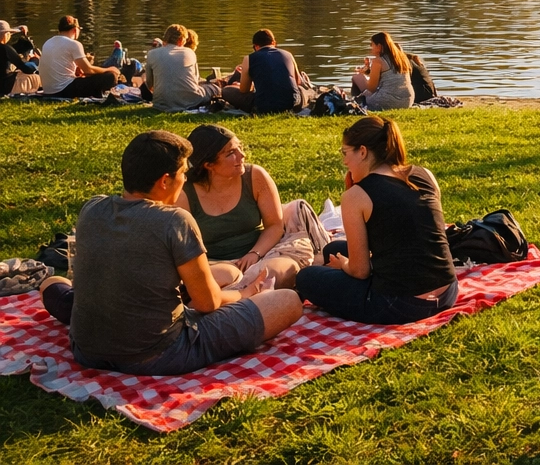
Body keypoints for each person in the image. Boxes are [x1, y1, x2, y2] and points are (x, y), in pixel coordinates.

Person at [37, 130, 302, 373]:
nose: (186, 179)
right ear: (165, 181)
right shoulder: (174, 220)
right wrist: (246, 294)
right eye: (183, 173)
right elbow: (207, 304)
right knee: (287, 301)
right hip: (160, 353)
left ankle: (59, 292)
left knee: (54, 282)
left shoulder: (91, 209)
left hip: (87, 351)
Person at [294, 117, 458, 324]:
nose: (344, 161)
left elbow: (360, 271)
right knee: (332, 248)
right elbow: (412, 234)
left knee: (306, 277)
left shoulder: (357, 196)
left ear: (362, 151)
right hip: (447, 292)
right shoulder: (424, 174)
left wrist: (344, 264)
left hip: (400, 304)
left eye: (345, 153)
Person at [176, 125, 303, 289]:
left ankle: (239, 295)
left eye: (240, 148)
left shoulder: (255, 176)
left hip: (261, 255)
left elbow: (275, 225)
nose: (242, 156)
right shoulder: (185, 194)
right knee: (227, 276)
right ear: (208, 165)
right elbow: (184, 250)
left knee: (281, 269)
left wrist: (254, 254)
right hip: (215, 265)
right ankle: (248, 294)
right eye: (231, 153)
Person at [222, 30, 314, 113]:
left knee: (226, 91)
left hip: (264, 106)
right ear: (274, 43)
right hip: (293, 104)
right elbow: (298, 82)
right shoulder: (288, 54)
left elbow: (244, 90)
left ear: (256, 46)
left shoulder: (248, 59)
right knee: (303, 90)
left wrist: (247, 78)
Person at [142, 25, 223, 111]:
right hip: (189, 101)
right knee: (215, 89)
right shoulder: (189, 52)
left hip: (160, 104)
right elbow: (195, 81)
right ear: (181, 40)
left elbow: (149, 84)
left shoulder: (151, 54)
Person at [38, 16, 121, 98]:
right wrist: (109, 69)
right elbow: (88, 70)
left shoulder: (48, 42)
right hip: (64, 90)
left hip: (48, 91)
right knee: (111, 77)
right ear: (75, 30)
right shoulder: (74, 44)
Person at [351, 31, 416, 111]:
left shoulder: (378, 61)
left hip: (388, 101)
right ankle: (357, 100)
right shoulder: (402, 59)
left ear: (379, 46)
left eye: (372, 44)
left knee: (356, 77)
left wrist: (362, 76)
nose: (371, 47)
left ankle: (355, 101)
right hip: (407, 101)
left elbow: (372, 88)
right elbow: (390, 79)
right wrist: (368, 73)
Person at [0, 20, 41, 95]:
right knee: (36, 77)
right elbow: (27, 69)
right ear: (6, 34)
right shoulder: (5, 49)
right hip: (5, 88)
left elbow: (2, 33)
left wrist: (18, 29)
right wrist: (35, 60)